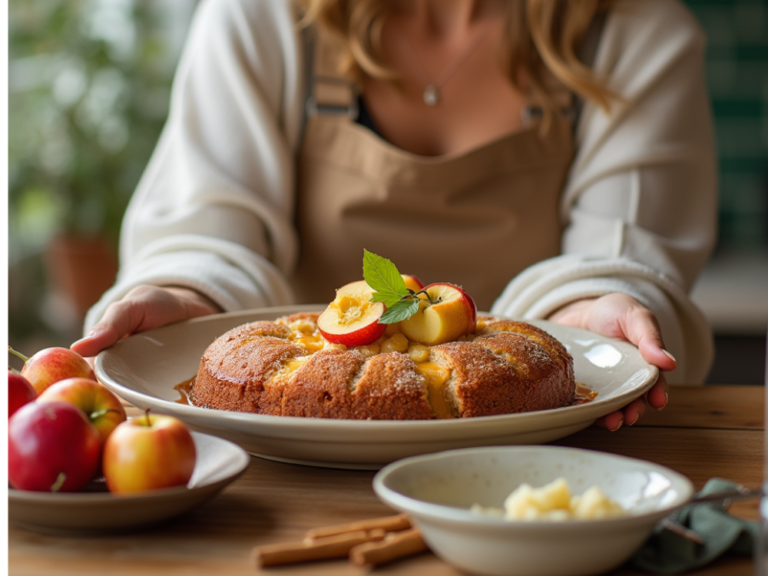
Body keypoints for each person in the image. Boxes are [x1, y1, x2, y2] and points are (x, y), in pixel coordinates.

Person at [71, 0, 717, 431]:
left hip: (534, 454)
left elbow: (626, 244)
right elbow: (206, 222)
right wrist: (188, 293)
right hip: (269, 461)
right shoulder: (261, 15)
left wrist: (598, 312)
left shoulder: (636, 30)